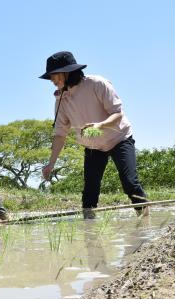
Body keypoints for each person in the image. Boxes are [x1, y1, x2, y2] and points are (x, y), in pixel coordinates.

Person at [39, 51, 149, 219]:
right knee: (90, 191)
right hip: (93, 146)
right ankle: (89, 231)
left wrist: (101, 125)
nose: (52, 81)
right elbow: (60, 134)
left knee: (130, 183)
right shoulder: (61, 99)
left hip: (119, 138)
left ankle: (145, 220)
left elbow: (117, 113)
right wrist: (50, 164)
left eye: (54, 75)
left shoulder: (97, 83)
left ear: (68, 72)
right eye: (50, 77)